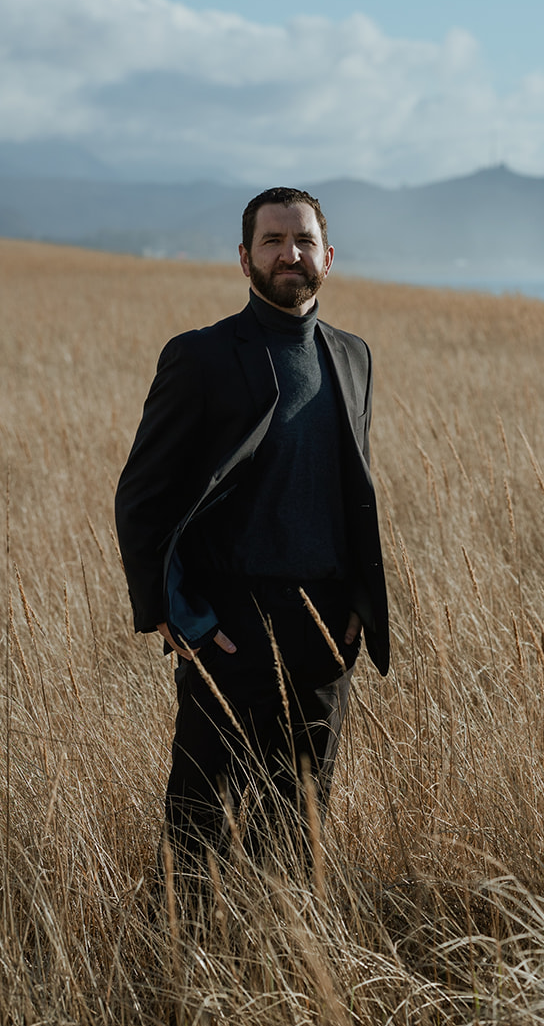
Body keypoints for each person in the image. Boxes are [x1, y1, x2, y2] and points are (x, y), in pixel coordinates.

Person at [115, 186, 389, 889]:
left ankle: (277, 978)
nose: (288, 254)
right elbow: (142, 499)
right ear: (244, 259)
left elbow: (351, 491)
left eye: (301, 241)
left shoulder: (351, 357)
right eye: (271, 241)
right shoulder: (200, 356)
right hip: (228, 628)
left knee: (298, 831)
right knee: (198, 828)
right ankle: (175, 980)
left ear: (328, 256)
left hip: (325, 632)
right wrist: (182, 617)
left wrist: (356, 605)